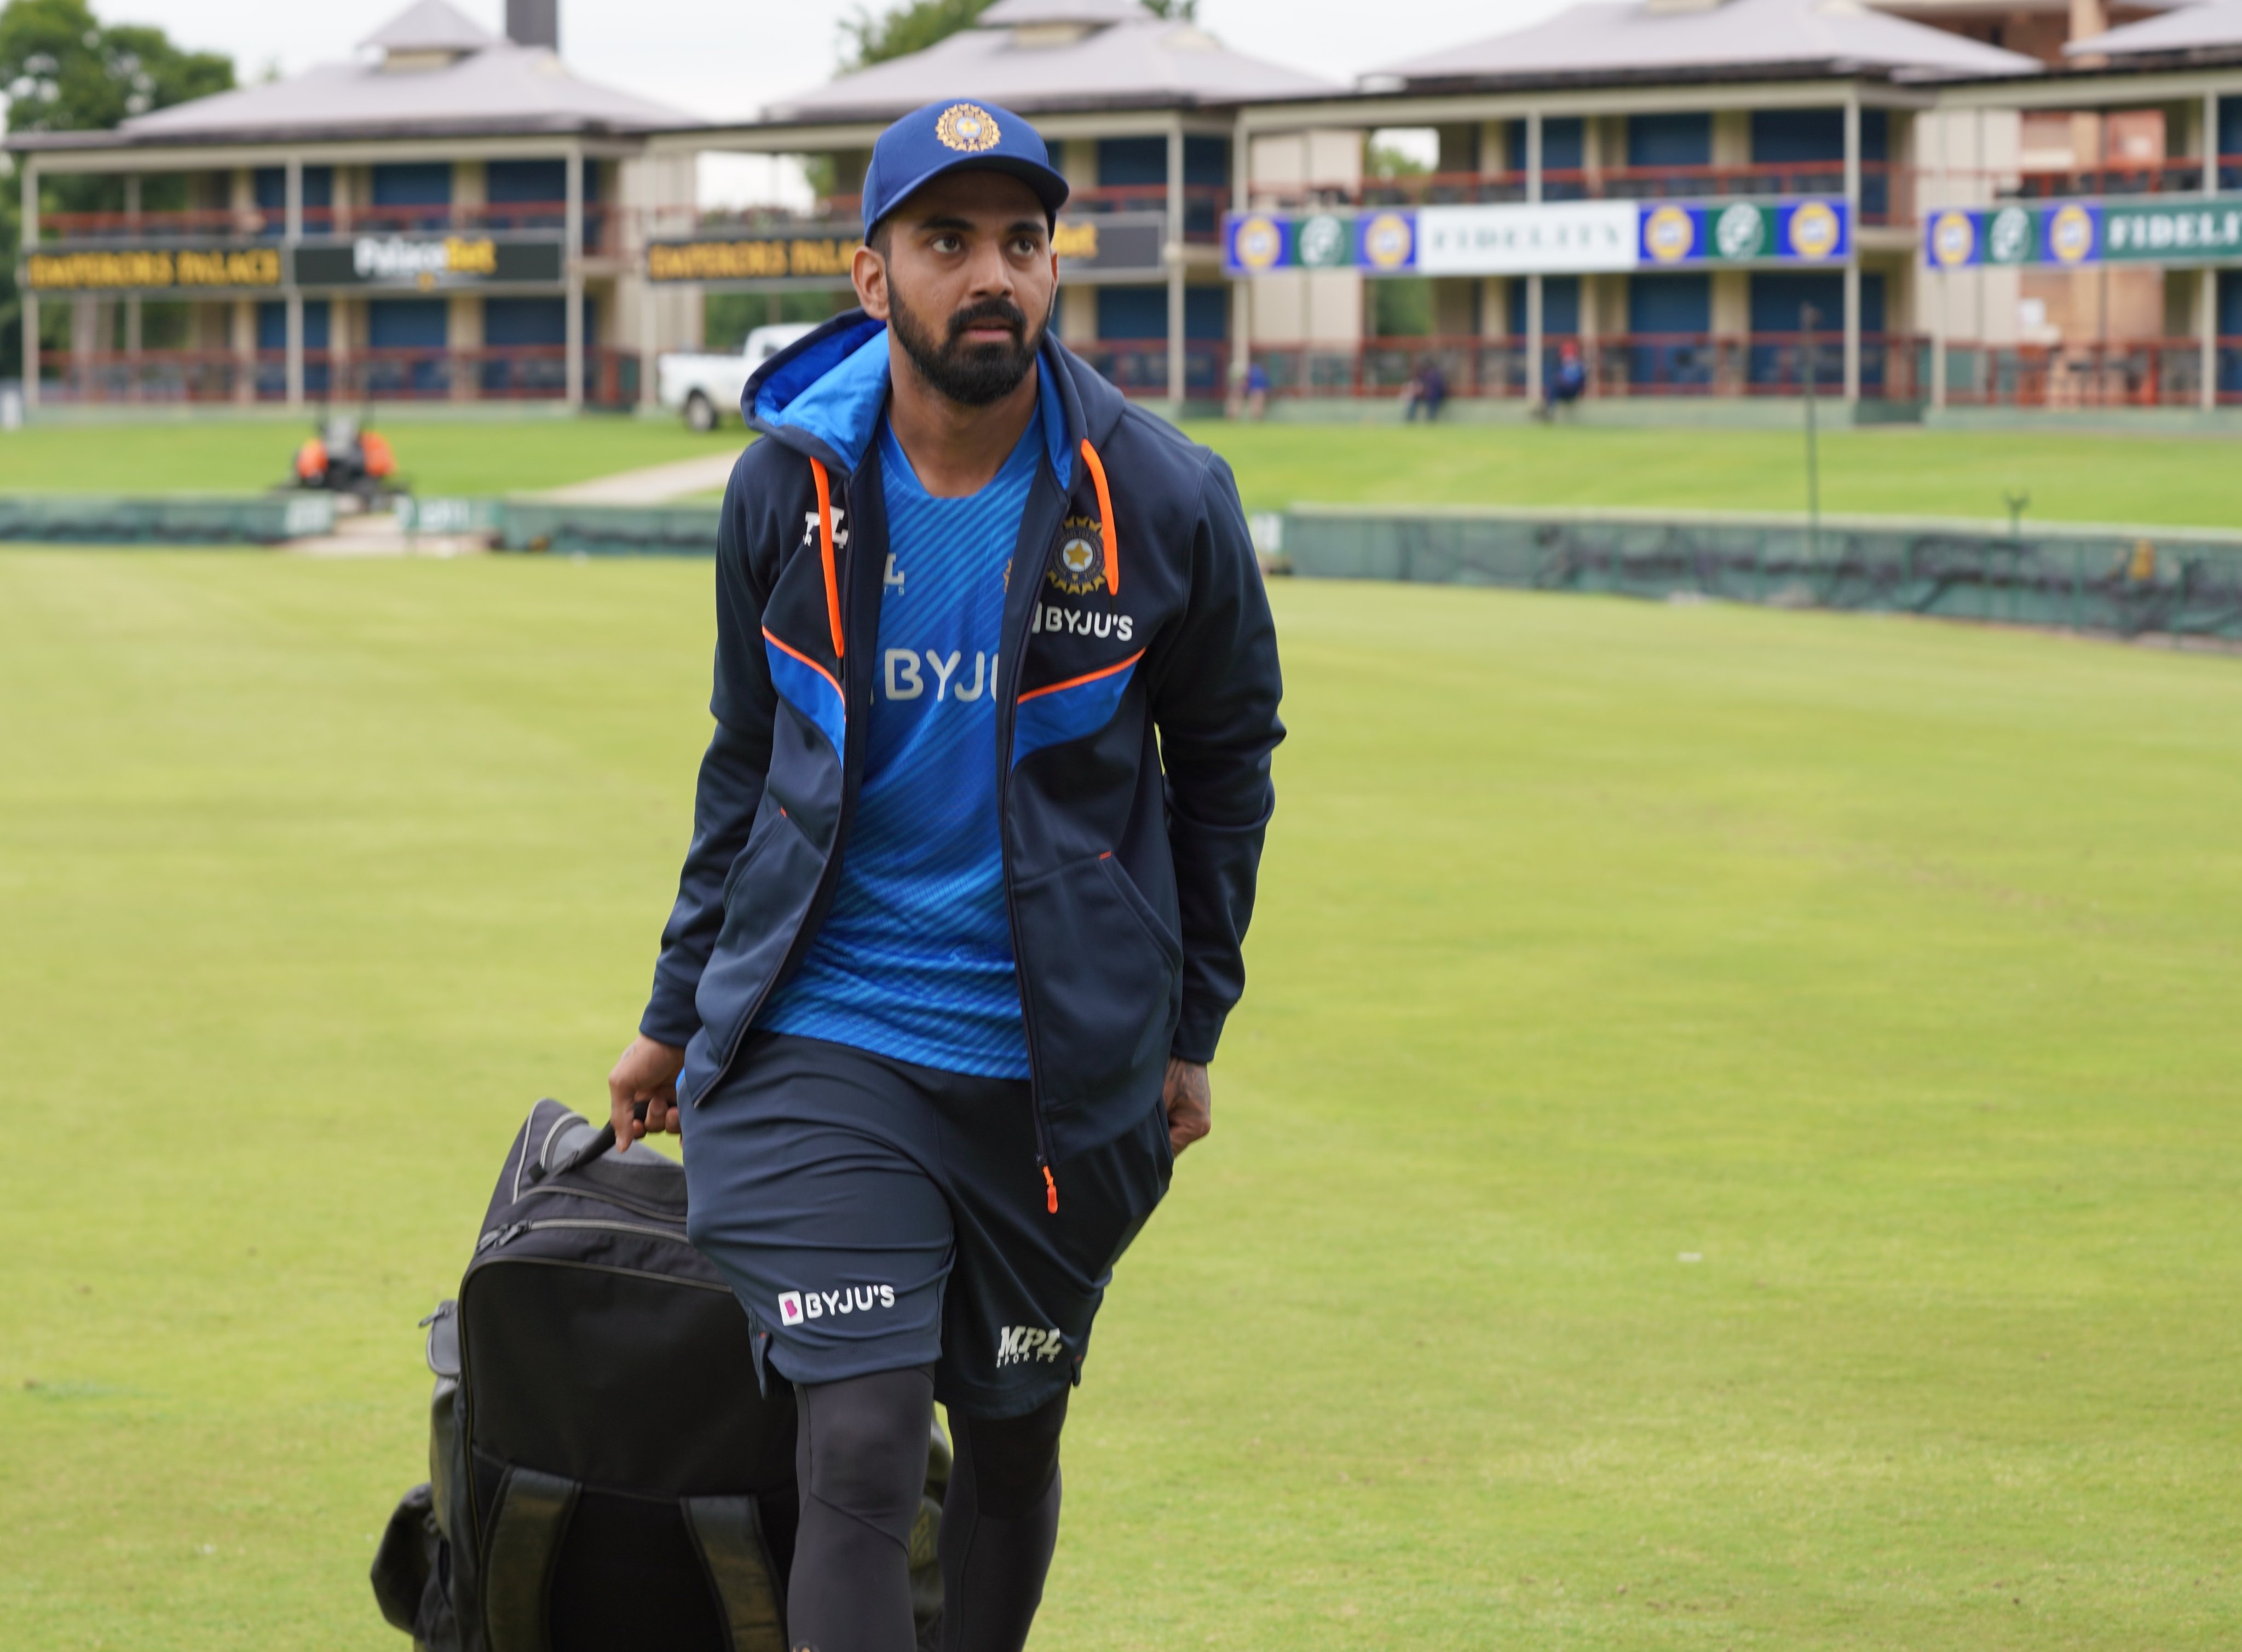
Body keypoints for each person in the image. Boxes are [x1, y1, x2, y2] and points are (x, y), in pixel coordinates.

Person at [605, 99, 1284, 1652]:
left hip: (1057, 1073)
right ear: (872, 277)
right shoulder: (786, 491)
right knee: (856, 1439)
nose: (992, 274)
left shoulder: (1162, 499)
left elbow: (1225, 775)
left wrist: (1190, 1026)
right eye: (947, 241)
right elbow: (747, 766)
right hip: (818, 1040)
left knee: (1010, 1436)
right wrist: (673, 1011)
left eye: (1021, 242)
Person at [1401, 355, 1447, 422]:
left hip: (1434, 397)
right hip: (1423, 396)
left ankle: (1431, 422)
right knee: (1413, 402)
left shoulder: (1435, 374)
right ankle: (1410, 421)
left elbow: (1437, 388)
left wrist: (1426, 391)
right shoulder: (1422, 374)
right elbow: (1419, 384)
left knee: (1432, 409)